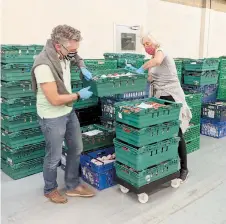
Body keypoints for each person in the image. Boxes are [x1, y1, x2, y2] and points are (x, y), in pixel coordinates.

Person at [31, 25, 95, 204]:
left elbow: (76, 56)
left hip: (68, 111)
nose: (75, 53)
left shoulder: (66, 53)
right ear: (58, 46)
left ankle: (72, 185)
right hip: (52, 115)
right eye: (72, 49)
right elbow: (54, 99)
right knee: (54, 156)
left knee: (76, 148)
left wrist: (82, 66)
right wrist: (78, 95)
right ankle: (50, 189)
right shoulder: (43, 65)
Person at [126, 33, 191, 183]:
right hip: (159, 98)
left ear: (155, 42)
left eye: (148, 43)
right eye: (144, 45)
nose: (146, 47)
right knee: (161, 132)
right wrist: (133, 72)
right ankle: (164, 163)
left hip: (172, 98)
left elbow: (157, 61)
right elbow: (150, 78)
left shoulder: (161, 52)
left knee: (177, 132)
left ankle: (184, 168)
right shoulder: (151, 59)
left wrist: (141, 67)